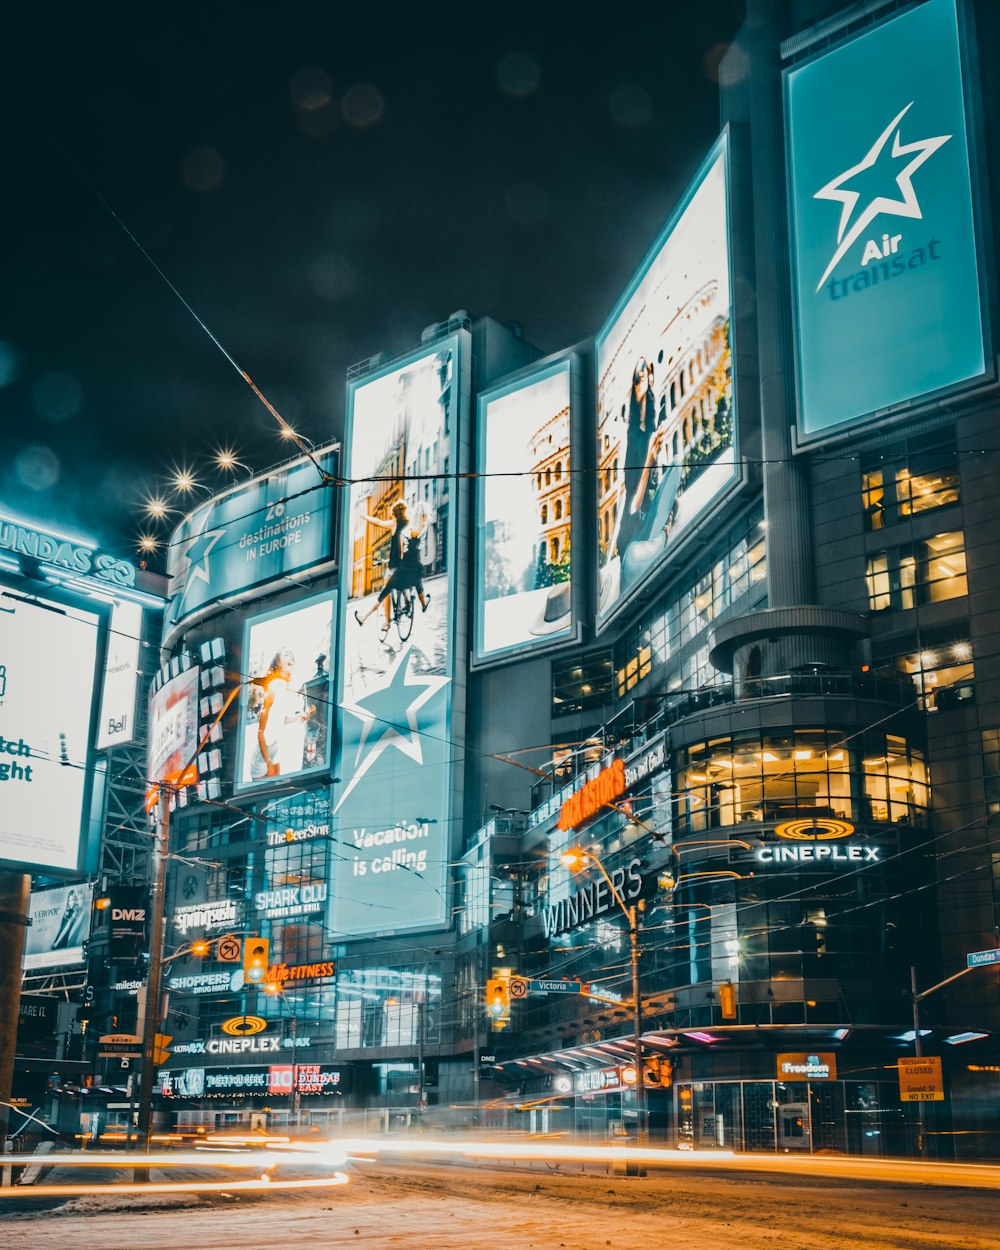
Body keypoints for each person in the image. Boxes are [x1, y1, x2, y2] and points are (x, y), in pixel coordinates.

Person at [616, 357, 666, 561]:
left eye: (646, 370)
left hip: (649, 520)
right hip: (632, 538)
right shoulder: (633, 436)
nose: (643, 374)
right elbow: (633, 506)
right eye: (638, 375)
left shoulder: (652, 430)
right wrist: (650, 459)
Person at [355, 500, 431, 626]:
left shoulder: (394, 523)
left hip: (395, 566)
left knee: (385, 592)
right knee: (406, 583)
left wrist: (364, 516)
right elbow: (406, 549)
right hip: (407, 566)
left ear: (394, 514)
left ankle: (386, 622)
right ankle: (407, 603)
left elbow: (378, 522)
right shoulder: (409, 525)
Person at [249, 648, 314, 779]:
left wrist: (299, 716)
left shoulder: (284, 689)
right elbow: (260, 733)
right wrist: (268, 762)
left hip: (274, 748)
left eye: (291, 655)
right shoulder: (273, 688)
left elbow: (282, 719)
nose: (290, 655)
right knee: (265, 794)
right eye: (285, 654)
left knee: (276, 792)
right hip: (262, 757)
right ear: (278, 663)